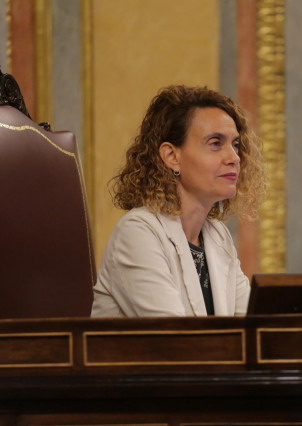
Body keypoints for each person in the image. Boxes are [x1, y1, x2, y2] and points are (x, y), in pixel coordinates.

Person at [91, 85, 266, 317]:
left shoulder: (217, 236)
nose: (234, 158)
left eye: (235, 145)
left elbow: (253, 325)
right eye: (215, 143)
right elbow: (177, 339)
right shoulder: (138, 233)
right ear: (172, 156)